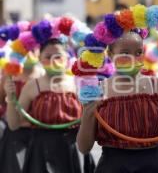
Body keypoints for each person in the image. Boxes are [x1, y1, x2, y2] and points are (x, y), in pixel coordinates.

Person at [76, 31, 158, 173]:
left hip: (150, 167)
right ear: (110, 55)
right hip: (112, 168)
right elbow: (84, 147)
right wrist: (88, 114)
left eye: (138, 52)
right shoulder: (97, 91)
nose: (133, 58)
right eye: (125, 53)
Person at [4, 38, 94, 173]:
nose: (54, 60)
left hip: (73, 148)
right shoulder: (32, 85)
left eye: (58, 56)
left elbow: (91, 119)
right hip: (41, 150)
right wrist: (11, 98)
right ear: (40, 58)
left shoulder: (79, 84)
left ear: (67, 58)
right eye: (48, 56)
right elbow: (14, 124)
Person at [0, 50, 44, 173]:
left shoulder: (43, 74)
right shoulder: (8, 74)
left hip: (38, 133)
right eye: (26, 49)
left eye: (34, 49)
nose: (29, 53)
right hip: (14, 133)